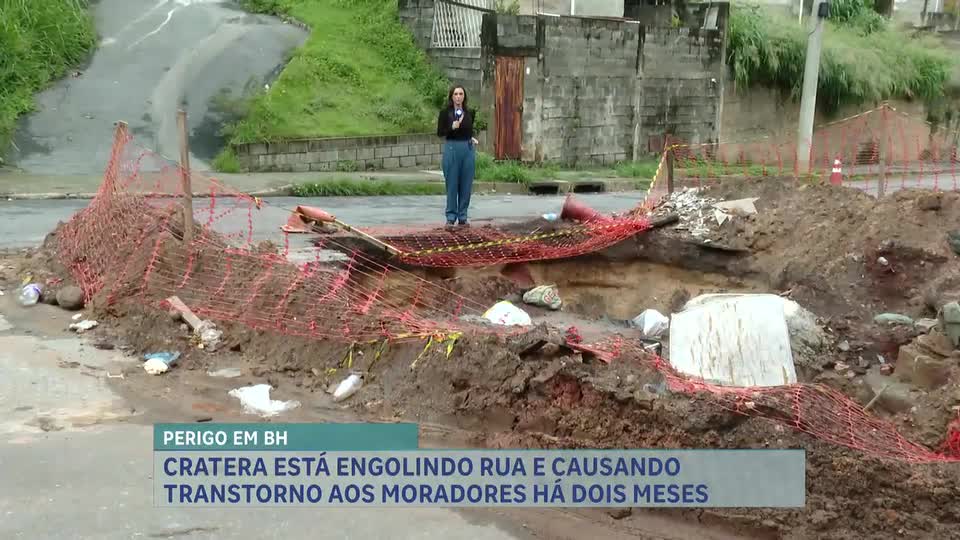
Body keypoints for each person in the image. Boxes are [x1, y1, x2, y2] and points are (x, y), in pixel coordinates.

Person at [436, 85, 479, 227]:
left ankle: (463, 216)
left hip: (467, 149)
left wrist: (471, 138)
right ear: (451, 97)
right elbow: (440, 132)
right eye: (456, 94)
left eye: (461, 94)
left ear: (464, 96)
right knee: (452, 184)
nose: (458, 96)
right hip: (452, 147)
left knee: (466, 185)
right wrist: (451, 127)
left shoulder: (470, 112)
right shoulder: (445, 113)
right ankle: (450, 216)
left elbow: (468, 129)